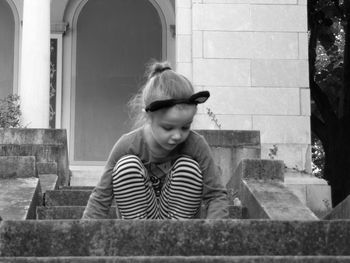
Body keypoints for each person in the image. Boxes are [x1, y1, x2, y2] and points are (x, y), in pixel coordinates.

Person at [82, 61, 228, 219]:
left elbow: (216, 196)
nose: (178, 135)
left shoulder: (196, 144)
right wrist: (85, 237)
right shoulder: (128, 145)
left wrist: (214, 235)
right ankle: (138, 236)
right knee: (126, 165)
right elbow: (101, 197)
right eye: (168, 128)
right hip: (139, 224)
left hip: (180, 227)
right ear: (148, 117)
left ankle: (178, 237)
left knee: (188, 167)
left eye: (185, 127)